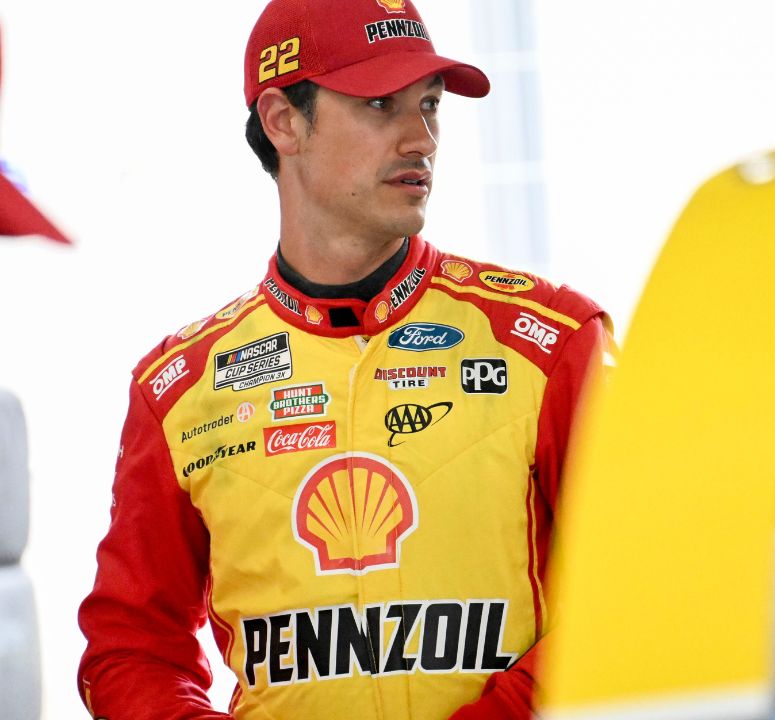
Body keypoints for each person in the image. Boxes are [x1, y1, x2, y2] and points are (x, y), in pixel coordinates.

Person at [76, 0, 611, 717]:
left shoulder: (553, 341)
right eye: (381, 103)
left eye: (429, 106)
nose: (421, 137)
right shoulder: (176, 391)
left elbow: (640, 582)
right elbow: (129, 647)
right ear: (282, 121)